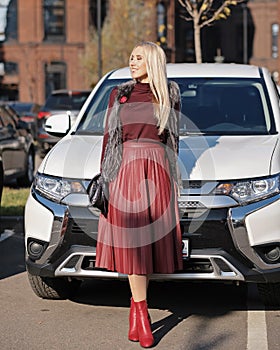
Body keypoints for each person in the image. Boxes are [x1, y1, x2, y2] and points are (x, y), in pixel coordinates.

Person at [95, 41, 183, 348]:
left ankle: (136, 310)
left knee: (148, 250)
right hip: (126, 174)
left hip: (158, 174)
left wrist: (173, 182)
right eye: (130, 57)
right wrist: (105, 181)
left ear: (153, 62)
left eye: (139, 58)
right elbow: (109, 141)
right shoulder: (119, 94)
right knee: (134, 247)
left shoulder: (168, 95)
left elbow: (174, 141)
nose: (132, 62)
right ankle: (143, 315)